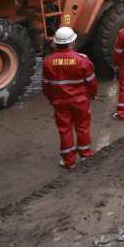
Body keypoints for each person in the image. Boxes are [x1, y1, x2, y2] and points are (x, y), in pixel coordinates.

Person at [42, 26, 98, 170]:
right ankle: (85, 155)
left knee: (64, 129)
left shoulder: (48, 61)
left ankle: (69, 162)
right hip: (80, 101)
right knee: (83, 127)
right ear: (72, 42)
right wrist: (93, 95)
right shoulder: (82, 60)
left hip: (60, 102)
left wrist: (51, 100)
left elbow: (46, 85)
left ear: (56, 43)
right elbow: (91, 81)